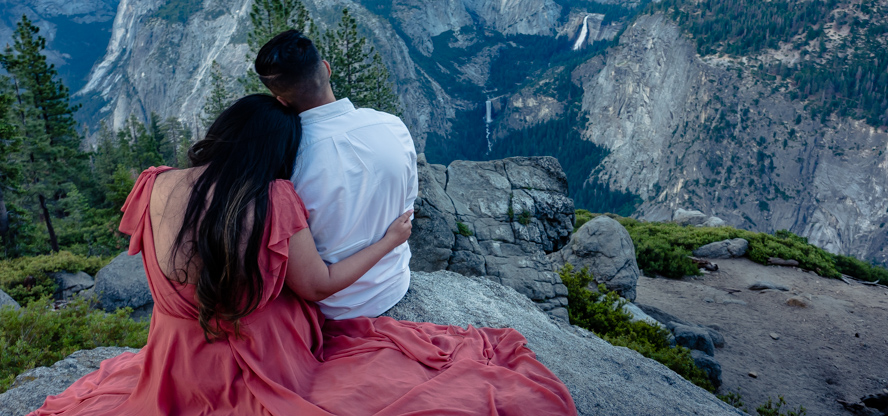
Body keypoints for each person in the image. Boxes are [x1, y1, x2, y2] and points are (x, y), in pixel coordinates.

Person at [30, 94, 577, 416]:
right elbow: (316, 286)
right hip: (260, 352)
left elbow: (145, 251)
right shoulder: (272, 199)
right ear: (276, 153)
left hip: (171, 355)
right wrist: (389, 241)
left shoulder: (154, 183)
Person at [254, 30, 417, 319]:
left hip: (330, 308)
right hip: (394, 284)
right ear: (326, 69)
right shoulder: (393, 127)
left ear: (279, 99)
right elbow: (407, 210)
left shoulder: (285, 164)